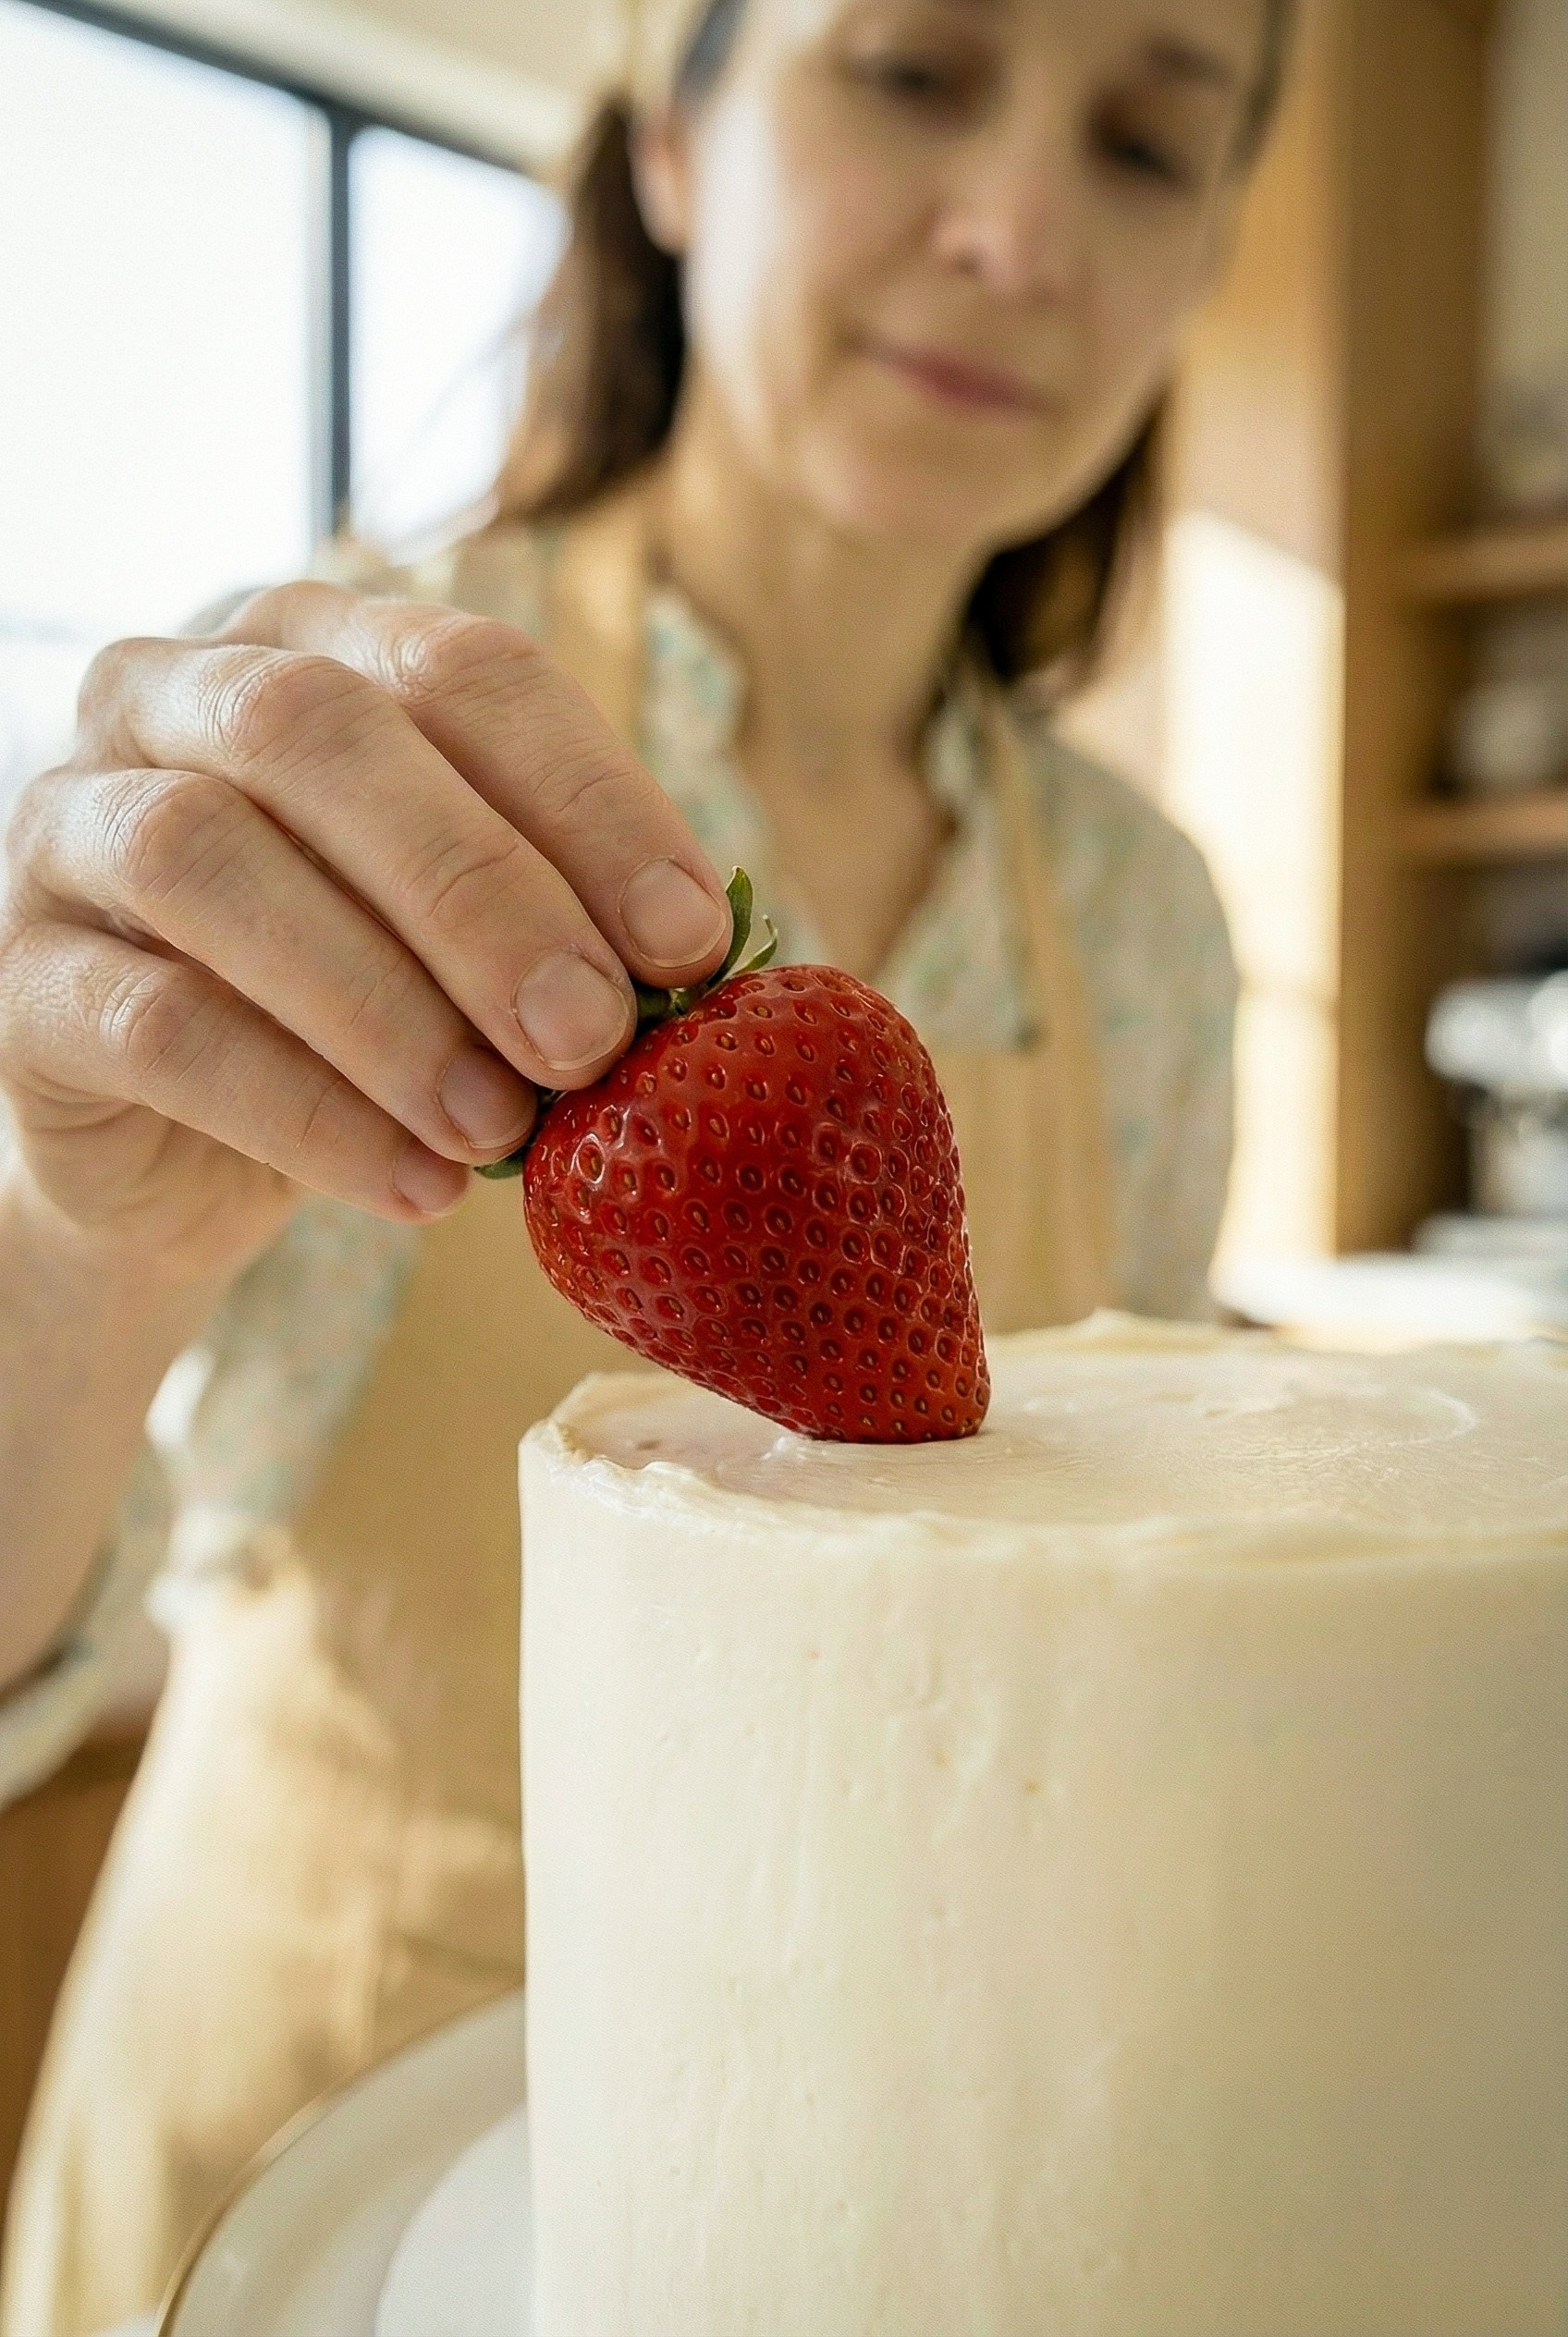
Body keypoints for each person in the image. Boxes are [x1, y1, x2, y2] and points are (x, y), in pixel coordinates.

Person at [0, 0, 1290, 2324]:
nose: (1015, 232)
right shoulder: (322, 783)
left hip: (877, 2185)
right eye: (909, 71)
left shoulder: (1145, 921)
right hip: (300, 2183)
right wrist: (71, 1250)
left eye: (1145, 141)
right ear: (665, 146)